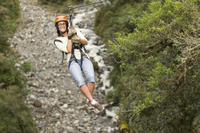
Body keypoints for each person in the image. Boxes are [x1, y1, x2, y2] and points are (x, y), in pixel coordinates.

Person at [54, 16, 104, 111]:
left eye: (63, 24)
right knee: (80, 81)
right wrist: (69, 37)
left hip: (83, 56)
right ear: (57, 27)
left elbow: (85, 42)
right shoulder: (57, 40)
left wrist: (76, 37)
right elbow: (68, 50)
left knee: (91, 79)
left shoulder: (74, 31)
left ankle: (88, 101)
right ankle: (93, 102)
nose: (61, 26)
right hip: (72, 60)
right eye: (59, 24)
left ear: (66, 24)